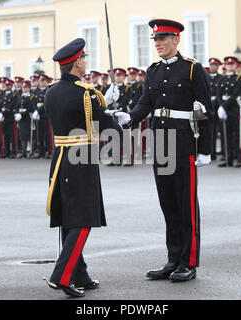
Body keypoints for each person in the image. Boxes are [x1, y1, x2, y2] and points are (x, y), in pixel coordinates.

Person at [116, 19, 213, 281]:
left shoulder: (192, 70)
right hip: (162, 143)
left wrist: (205, 149)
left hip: (184, 143)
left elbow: (206, 111)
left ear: (176, 40)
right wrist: (130, 118)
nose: (158, 43)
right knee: (168, 203)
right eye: (155, 40)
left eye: (163, 39)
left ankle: (188, 262)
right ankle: (173, 259)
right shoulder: (154, 71)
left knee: (186, 205)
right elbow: (145, 102)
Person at [42, 38, 121, 298]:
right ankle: (62, 276)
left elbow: (73, 115)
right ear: (77, 62)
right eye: (84, 58)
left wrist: (103, 104)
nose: (85, 62)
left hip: (60, 156)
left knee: (69, 216)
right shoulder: (86, 94)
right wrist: (114, 115)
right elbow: (105, 127)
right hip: (81, 157)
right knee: (84, 217)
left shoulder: (51, 90)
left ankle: (79, 273)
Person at [217, 56, 241, 167]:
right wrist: (221, 106)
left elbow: (235, 94)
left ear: (235, 66)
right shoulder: (222, 79)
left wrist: (223, 106)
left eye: (232, 64)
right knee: (226, 135)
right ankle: (228, 158)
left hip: (234, 109)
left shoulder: (239, 79)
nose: (229, 66)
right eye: (228, 64)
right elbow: (219, 94)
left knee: (237, 134)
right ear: (225, 66)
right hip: (224, 109)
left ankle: (239, 159)